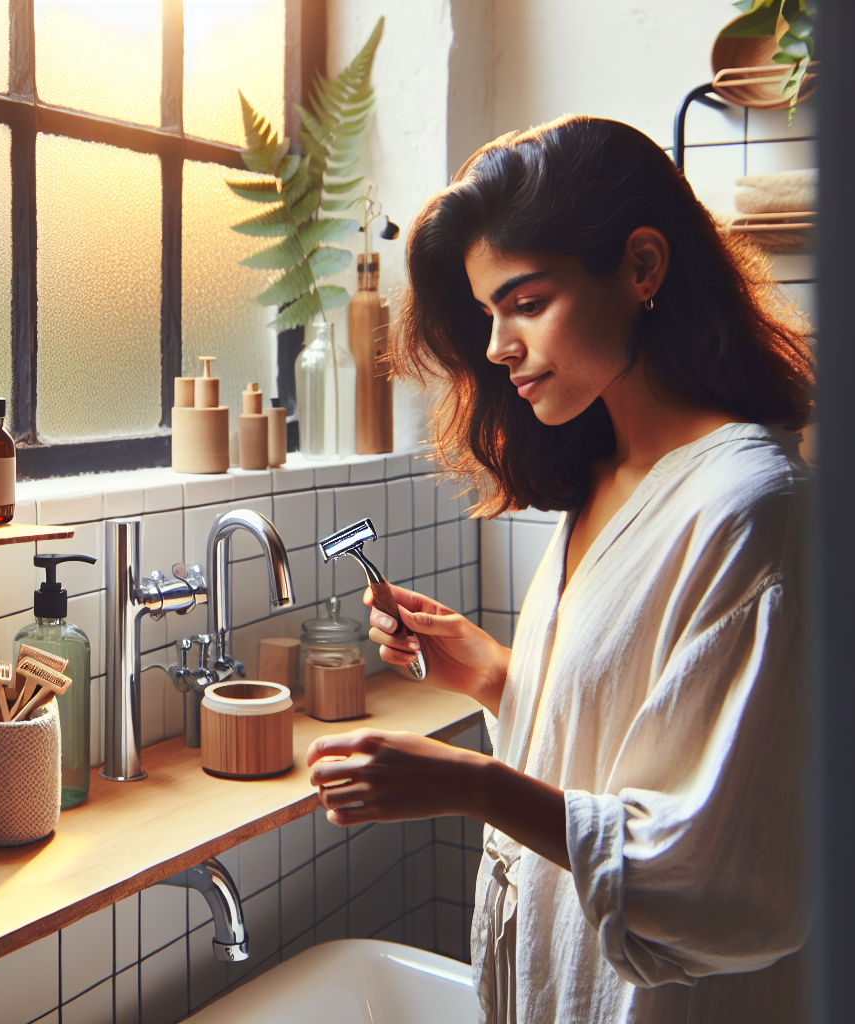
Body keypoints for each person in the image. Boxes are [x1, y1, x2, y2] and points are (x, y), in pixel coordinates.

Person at [306, 115, 815, 1023]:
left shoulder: (752, 510)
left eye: (526, 302)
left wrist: (471, 786)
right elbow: (624, 738)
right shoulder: (610, 478)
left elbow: (730, 873)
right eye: (489, 311)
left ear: (642, 268)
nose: (499, 345)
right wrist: (493, 674)